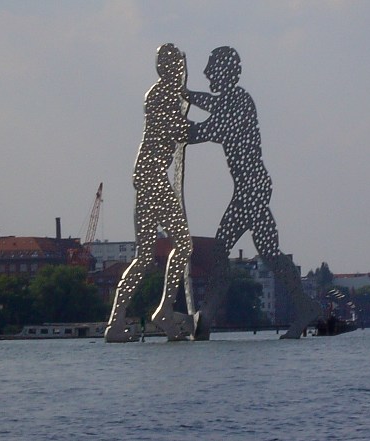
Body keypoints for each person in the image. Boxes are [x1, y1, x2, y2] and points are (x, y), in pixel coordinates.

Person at [187, 47, 320, 339]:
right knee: (270, 253)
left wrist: (175, 127)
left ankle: (206, 319)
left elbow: (207, 129)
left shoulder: (239, 101)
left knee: (221, 250)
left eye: (211, 68)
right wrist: (185, 95)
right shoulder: (232, 100)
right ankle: (305, 307)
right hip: (253, 187)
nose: (207, 73)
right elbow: (211, 104)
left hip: (251, 188)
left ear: (225, 72)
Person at [105, 44, 197, 342]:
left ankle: (115, 323)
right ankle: (164, 310)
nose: (181, 72)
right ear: (171, 69)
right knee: (183, 245)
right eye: (179, 67)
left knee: (144, 257)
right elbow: (181, 131)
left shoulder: (164, 94)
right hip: (153, 178)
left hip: (147, 178)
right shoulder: (163, 95)